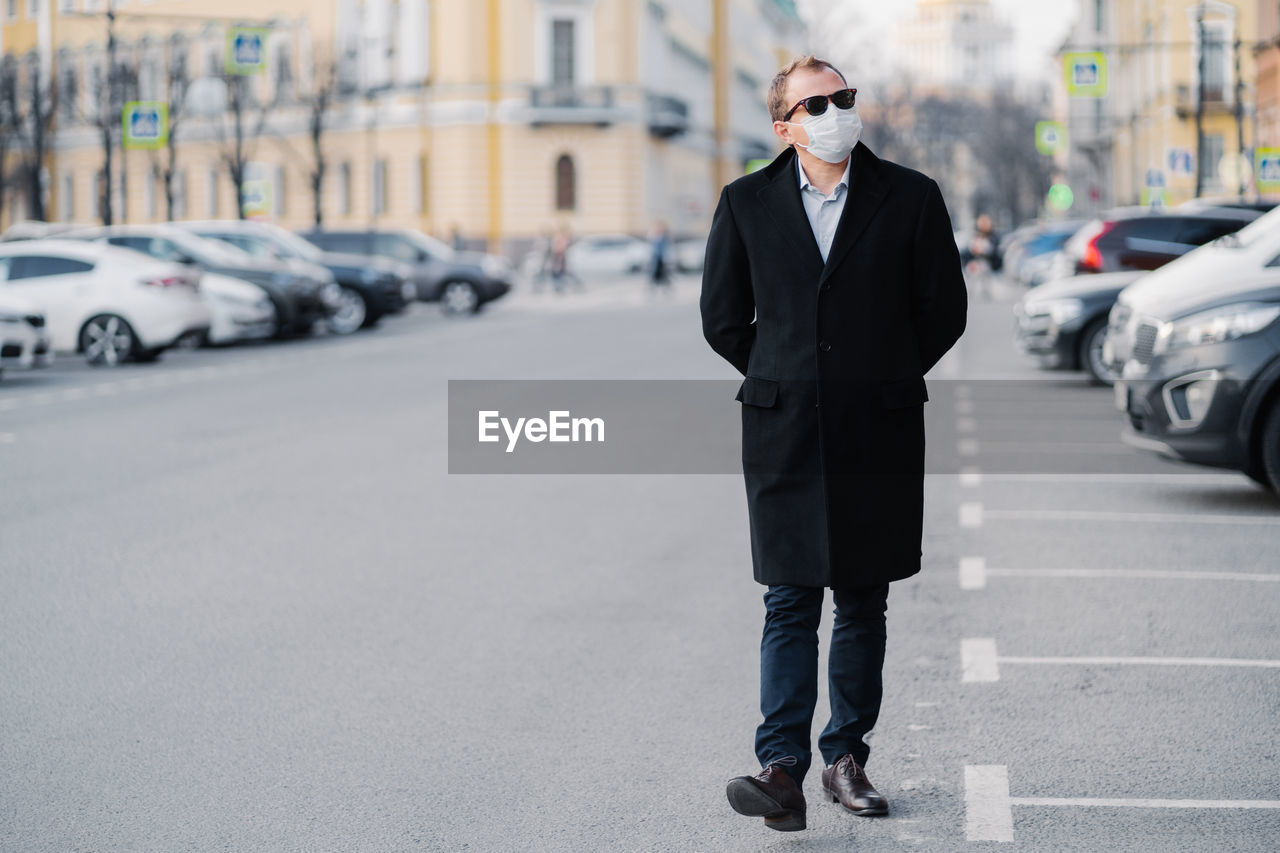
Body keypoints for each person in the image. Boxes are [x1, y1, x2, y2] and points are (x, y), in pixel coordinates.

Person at [700, 55, 967, 833]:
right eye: (816, 102)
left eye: (843, 97)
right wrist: (785, 375)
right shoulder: (746, 202)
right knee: (788, 598)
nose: (836, 111)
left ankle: (845, 758)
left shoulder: (911, 197)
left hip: (875, 423)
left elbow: (943, 307)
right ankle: (780, 768)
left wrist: (878, 371)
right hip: (783, 428)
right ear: (783, 125)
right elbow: (723, 318)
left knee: (861, 597)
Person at [962, 213, 1001, 300]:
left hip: (984, 262)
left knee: (985, 279)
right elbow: (970, 249)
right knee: (973, 279)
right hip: (976, 262)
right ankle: (970, 294)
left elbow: (992, 250)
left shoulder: (991, 238)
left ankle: (985, 294)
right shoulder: (975, 237)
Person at [647, 221, 673, 293]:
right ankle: (652, 289)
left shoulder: (664, 237)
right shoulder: (655, 237)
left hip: (662, 259)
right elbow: (651, 246)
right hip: (656, 258)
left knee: (664, 274)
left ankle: (667, 288)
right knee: (654, 275)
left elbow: (667, 248)